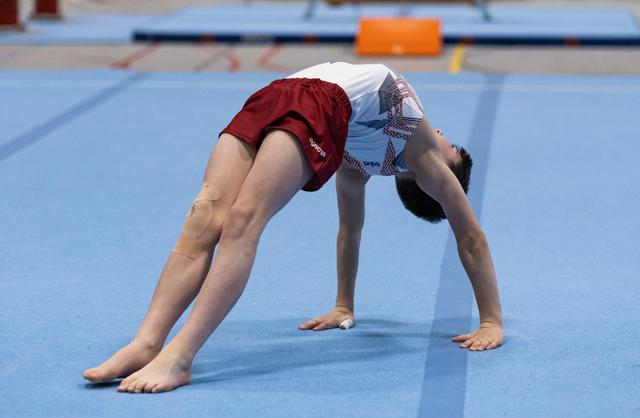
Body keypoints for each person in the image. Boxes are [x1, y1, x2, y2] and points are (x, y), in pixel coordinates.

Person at [83, 62, 504, 393]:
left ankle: (180, 356)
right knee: (203, 217)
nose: (447, 136)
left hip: (323, 105)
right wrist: (344, 305)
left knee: (242, 221)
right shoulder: (359, 162)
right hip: (282, 90)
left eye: (454, 150)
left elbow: (471, 236)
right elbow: (349, 231)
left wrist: (491, 321)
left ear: (438, 179)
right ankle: (147, 340)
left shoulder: (423, 155)